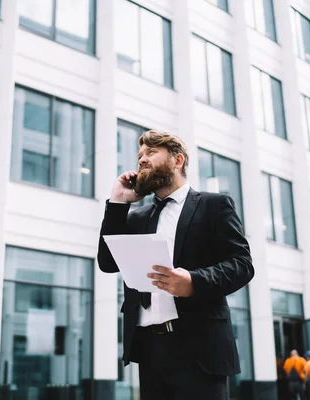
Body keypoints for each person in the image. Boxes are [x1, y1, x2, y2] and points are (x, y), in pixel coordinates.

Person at [97, 130, 255, 399]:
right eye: (139, 156)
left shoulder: (214, 205)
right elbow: (108, 262)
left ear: (177, 160)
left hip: (199, 350)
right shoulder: (137, 217)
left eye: (151, 152)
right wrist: (117, 203)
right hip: (149, 350)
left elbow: (242, 264)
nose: (141, 160)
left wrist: (194, 281)